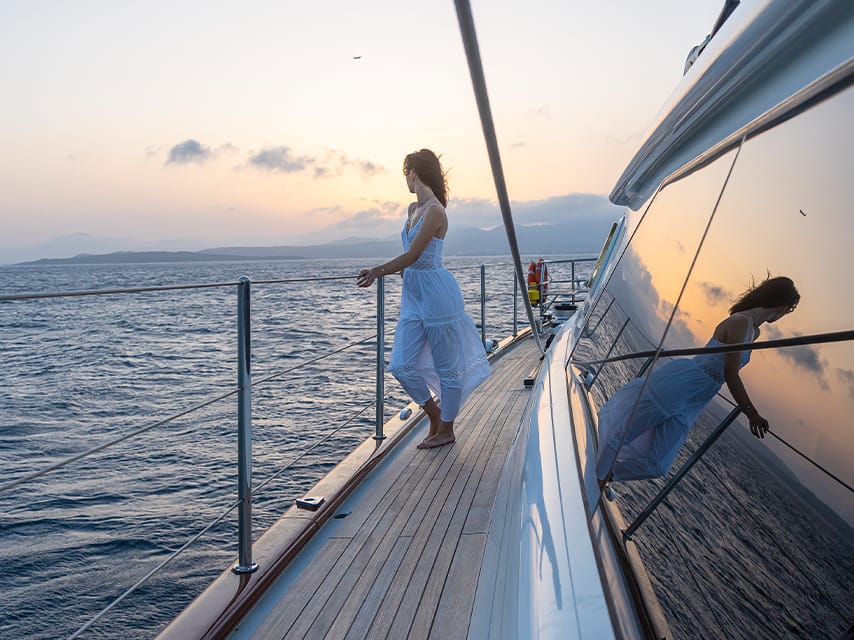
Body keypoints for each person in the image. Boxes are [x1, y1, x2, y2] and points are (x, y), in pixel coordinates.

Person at [596, 276, 800, 482]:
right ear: (783, 305)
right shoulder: (740, 322)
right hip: (682, 383)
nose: (784, 315)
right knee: (622, 436)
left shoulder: (753, 332)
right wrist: (752, 413)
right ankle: (598, 478)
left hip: (696, 398)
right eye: (788, 311)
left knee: (656, 464)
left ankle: (608, 476)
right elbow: (730, 373)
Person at [357, 149, 490, 449]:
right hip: (413, 298)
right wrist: (403, 274)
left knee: (448, 368)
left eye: (405, 173)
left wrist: (377, 271)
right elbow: (411, 259)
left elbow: (414, 255)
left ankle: (447, 429)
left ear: (413, 173)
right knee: (400, 365)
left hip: (438, 297)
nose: (405, 179)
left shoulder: (435, 211)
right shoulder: (411, 210)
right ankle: (435, 414)